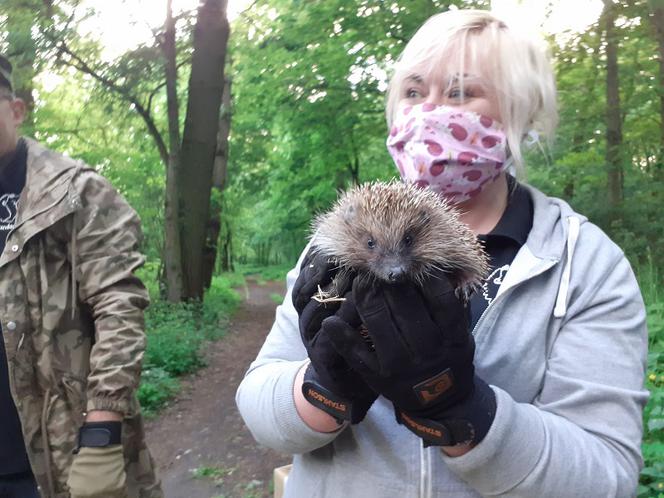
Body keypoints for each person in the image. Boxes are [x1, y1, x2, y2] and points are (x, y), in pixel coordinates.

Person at [236, 9, 648, 498]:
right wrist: (325, 387)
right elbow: (259, 405)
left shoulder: (585, 264)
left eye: (459, 92)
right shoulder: (334, 243)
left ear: (522, 112)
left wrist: (462, 410)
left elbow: (607, 476)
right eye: (413, 92)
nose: (428, 111)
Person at [0, 55, 163, 498]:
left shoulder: (75, 193)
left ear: (15, 111)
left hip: (60, 457)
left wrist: (103, 432)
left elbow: (119, 307)